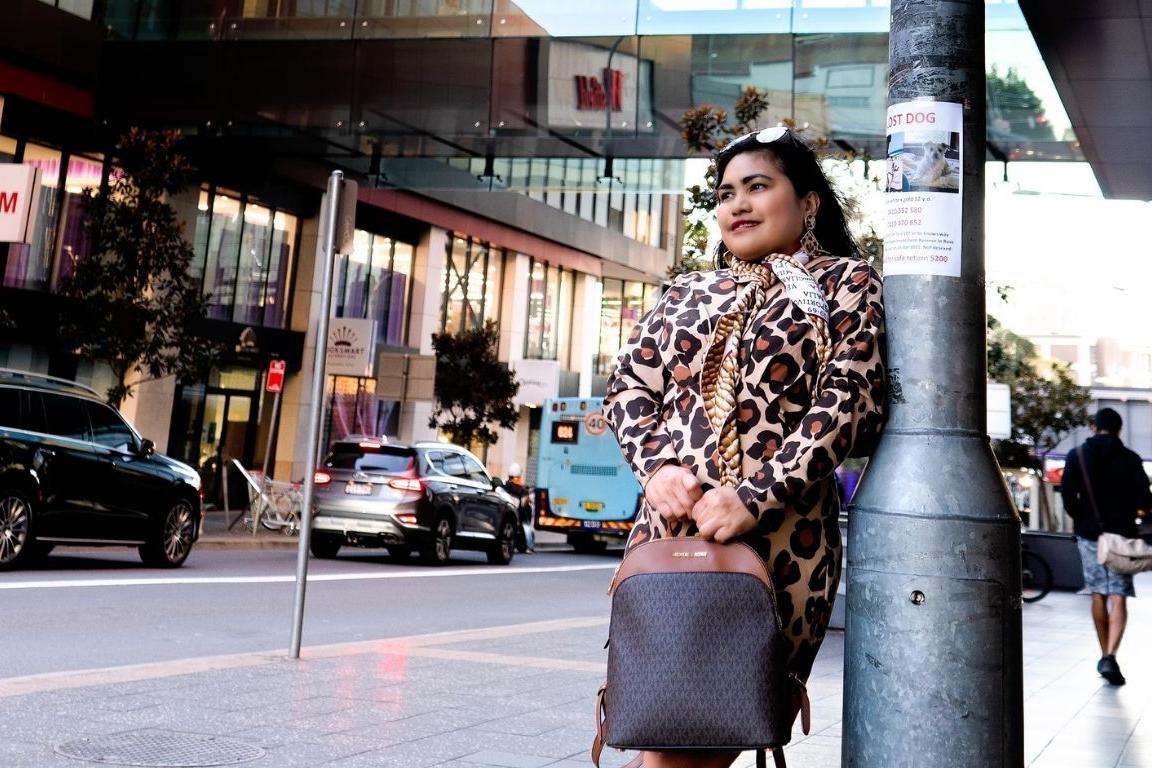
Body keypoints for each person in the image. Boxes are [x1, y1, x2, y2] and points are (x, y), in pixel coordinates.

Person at [604, 126, 886, 768]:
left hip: (784, 545)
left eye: (758, 186)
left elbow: (847, 399)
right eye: (726, 193)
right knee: (664, 728)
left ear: (807, 201)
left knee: (708, 732)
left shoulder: (846, 285)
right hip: (671, 538)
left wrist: (754, 496)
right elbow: (627, 389)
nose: (737, 205)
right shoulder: (687, 292)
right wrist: (657, 469)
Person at [1061, 407, 1152, 686]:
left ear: (1094, 427)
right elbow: (1146, 501)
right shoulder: (1130, 459)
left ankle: (1103, 653)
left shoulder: (1077, 456)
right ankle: (1111, 655)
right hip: (1122, 535)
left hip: (1090, 535)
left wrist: (1083, 518)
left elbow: (1068, 496)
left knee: (1098, 593)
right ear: (1119, 429)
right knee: (1119, 595)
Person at [505, 462, 535, 553]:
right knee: (526, 520)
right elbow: (524, 504)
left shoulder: (506, 485)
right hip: (518, 513)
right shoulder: (522, 489)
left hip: (509, 510)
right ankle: (527, 545)